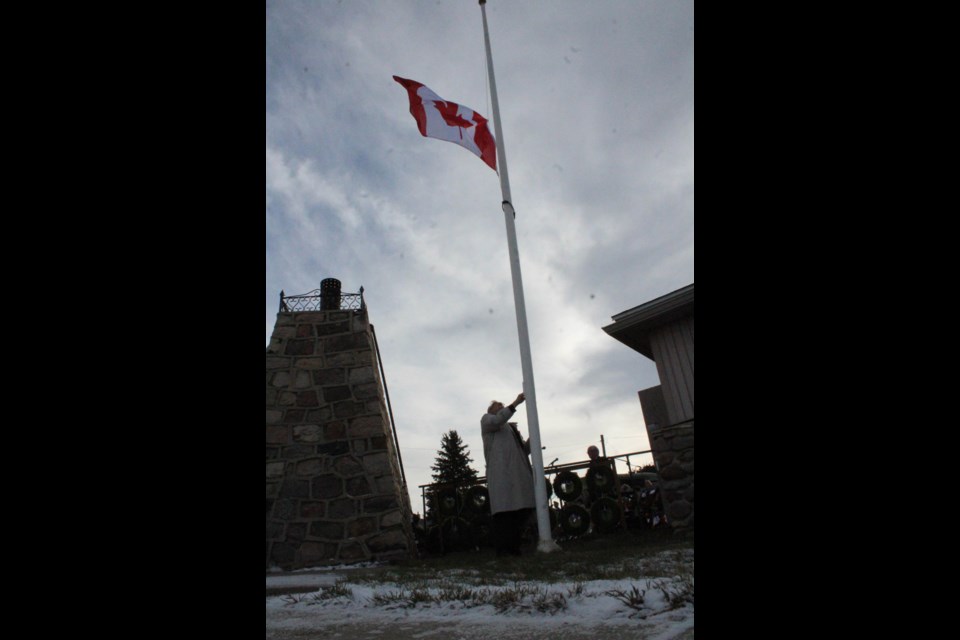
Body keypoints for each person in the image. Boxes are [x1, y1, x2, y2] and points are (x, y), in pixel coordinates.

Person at [481, 392, 535, 556]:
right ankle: (504, 550)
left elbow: (522, 451)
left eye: (502, 405)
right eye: (498, 405)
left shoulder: (511, 429)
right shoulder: (487, 420)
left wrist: (533, 438)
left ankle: (514, 548)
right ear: (491, 410)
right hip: (501, 476)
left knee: (520, 512)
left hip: (517, 477)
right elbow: (498, 420)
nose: (502, 407)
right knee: (504, 515)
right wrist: (516, 403)